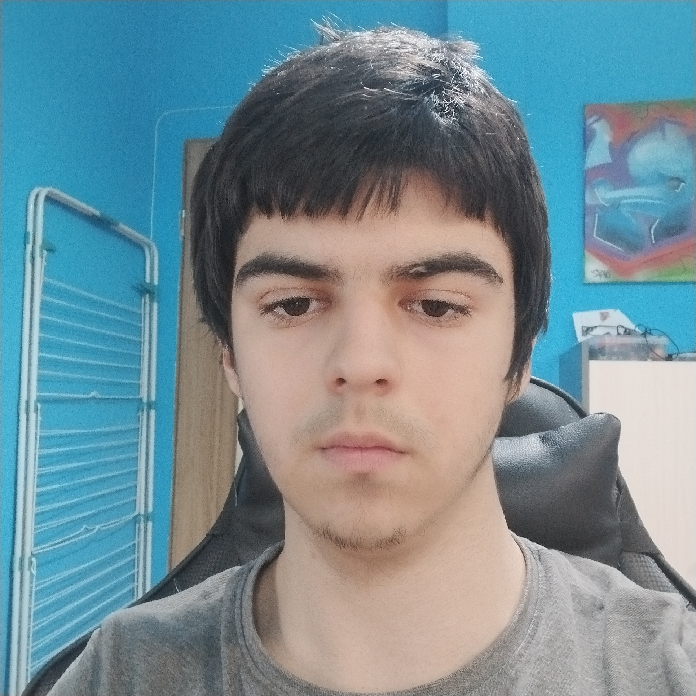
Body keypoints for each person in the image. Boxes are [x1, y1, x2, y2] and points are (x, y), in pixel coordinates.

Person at [48, 24, 695, 696]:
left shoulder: (670, 670)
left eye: (437, 305)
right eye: (293, 304)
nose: (360, 363)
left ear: (520, 353)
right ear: (230, 358)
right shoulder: (117, 673)